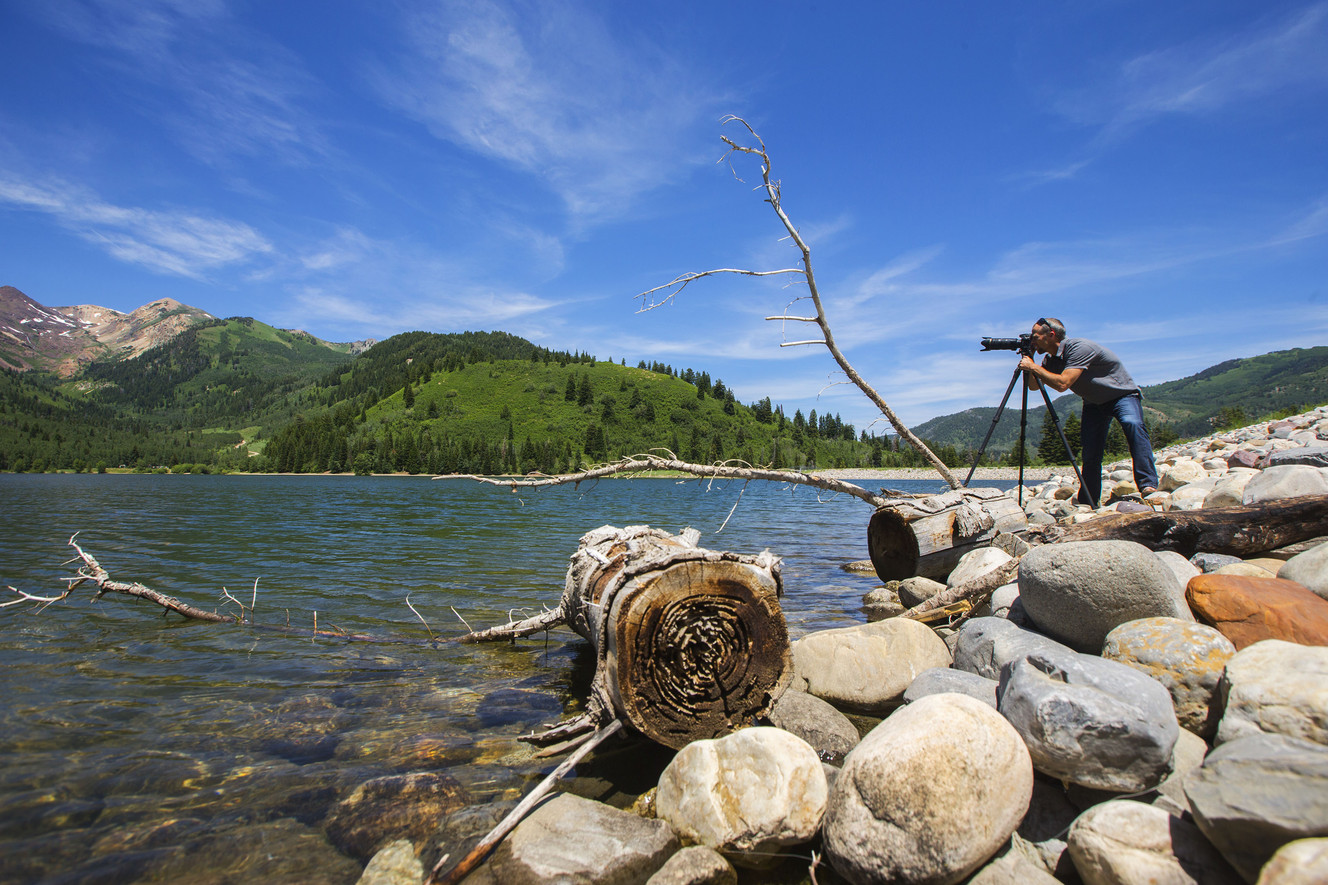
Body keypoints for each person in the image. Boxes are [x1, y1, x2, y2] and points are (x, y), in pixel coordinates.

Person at [1018, 317, 1159, 506]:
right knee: (1091, 450)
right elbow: (1034, 386)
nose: (1032, 340)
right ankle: (1089, 500)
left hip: (1121, 395)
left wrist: (1033, 367)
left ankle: (1148, 485)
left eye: (1035, 337)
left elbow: (1063, 384)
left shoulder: (1078, 348)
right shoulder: (1050, 360)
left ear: (1051, 335)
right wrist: (1030, 362)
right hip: (1094, 403)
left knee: (1132, 425)